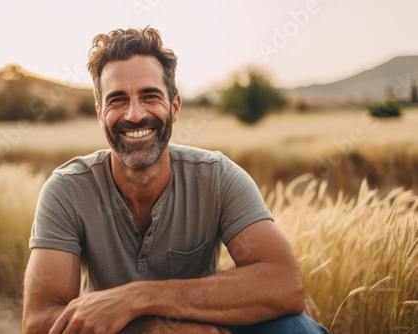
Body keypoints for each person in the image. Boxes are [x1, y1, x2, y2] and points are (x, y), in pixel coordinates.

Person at [22, 27, 329, 333]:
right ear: (100, 113)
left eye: (150, 96)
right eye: (117, 100)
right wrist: (154, 329)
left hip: (206, 326)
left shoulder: (218, 177)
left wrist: (138, 297)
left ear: (175, 107)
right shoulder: (67, 190)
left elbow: (284, 284)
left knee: (295, 328)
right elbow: (39, 322)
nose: (134, 114)